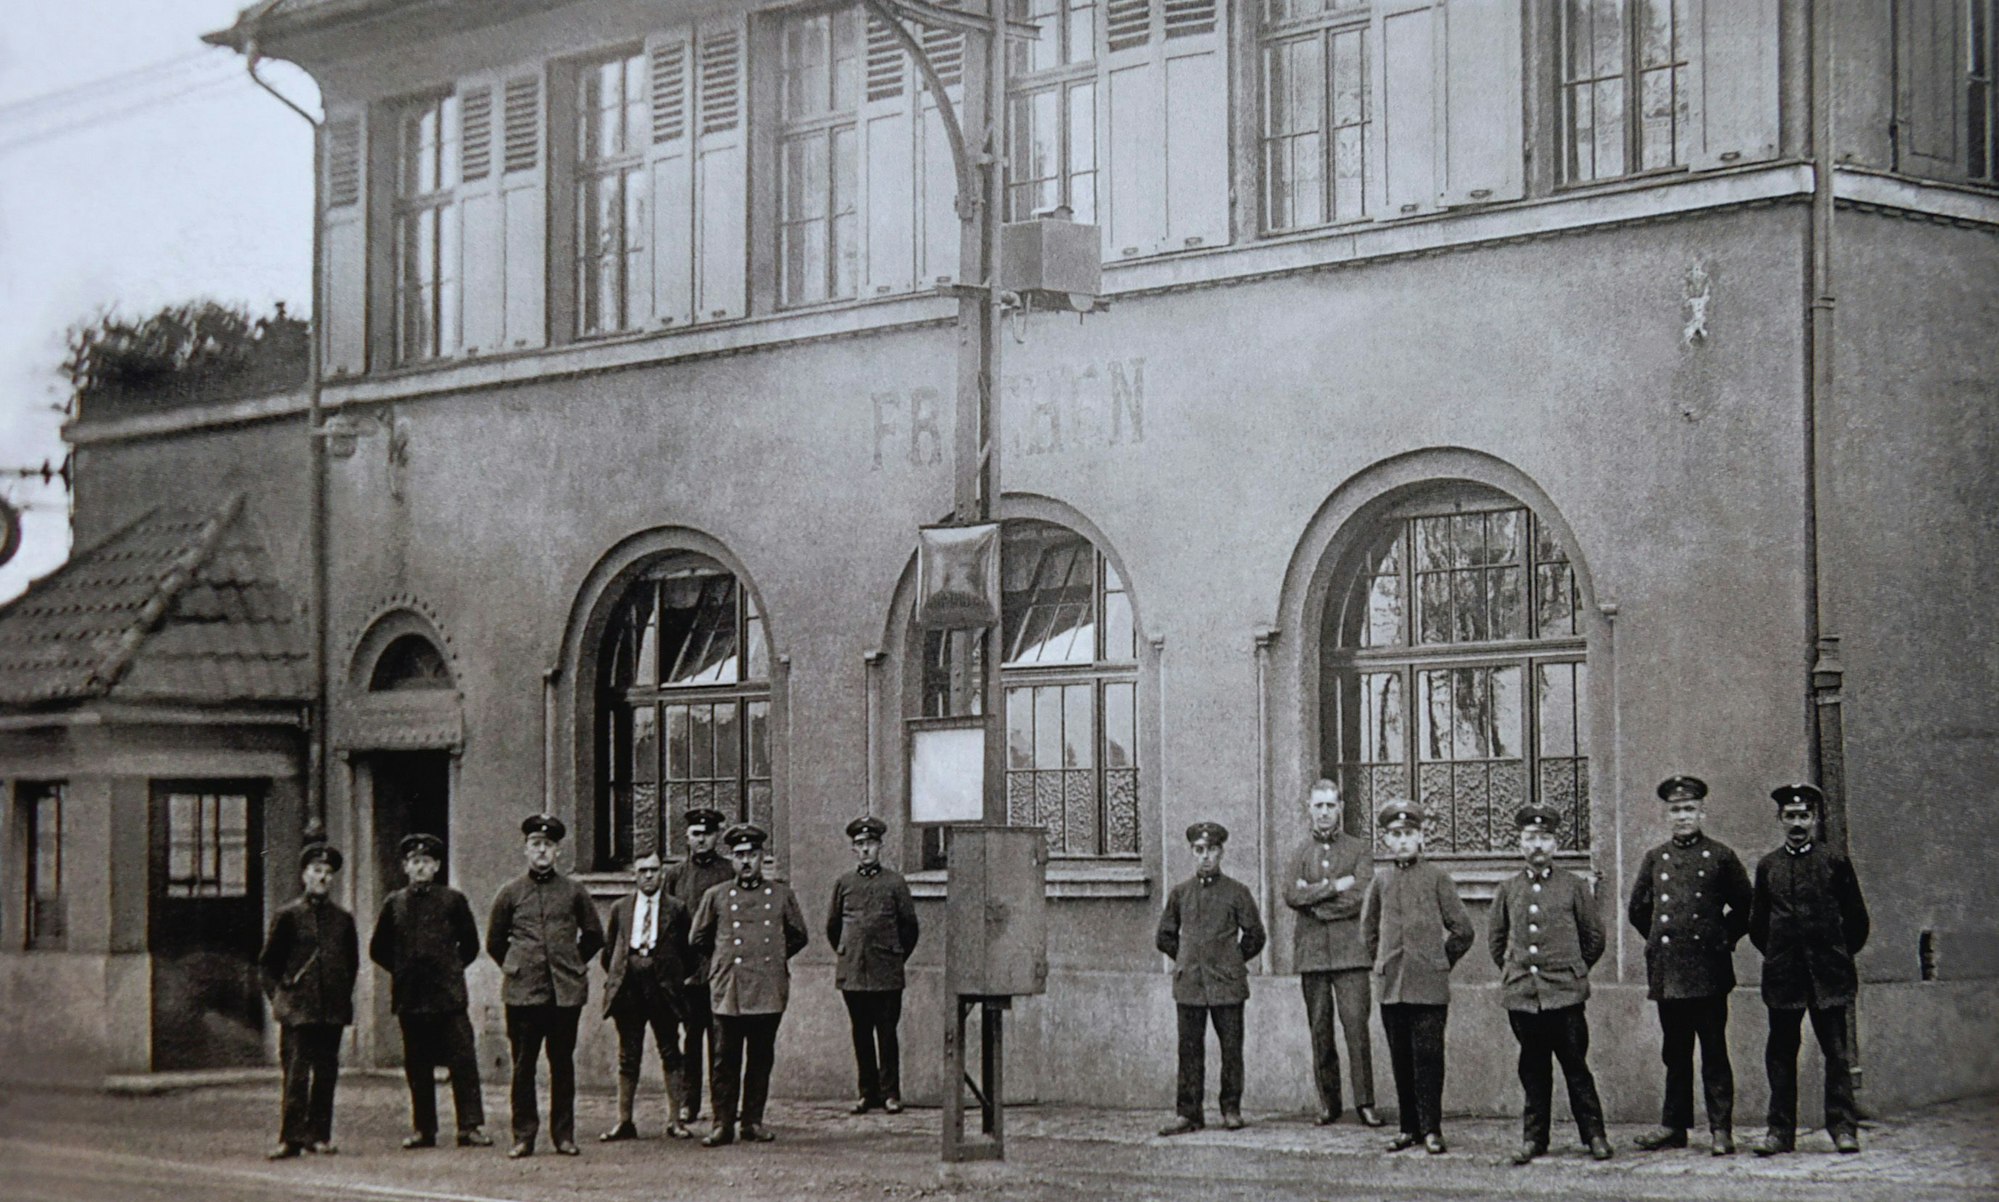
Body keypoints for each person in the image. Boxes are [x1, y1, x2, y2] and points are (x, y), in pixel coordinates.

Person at [1627, 775, 1754, 1156]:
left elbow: (1747, 907)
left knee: (1714, 1051)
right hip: (1670, 972)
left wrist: (1721, 937)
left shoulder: (1721, 856)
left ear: (1702, 812)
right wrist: (1662, 943)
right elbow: (1638, 910)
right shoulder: (1655, 858)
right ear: (1667, 814)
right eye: (1676, 810)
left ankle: (1720, 1129)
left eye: (1689, 809)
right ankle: (1674, 1126)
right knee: (1675, 1053)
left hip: (1709, 972)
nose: (1682, 816)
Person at [1749, 783, 1870, 1157]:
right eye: (1790, 816)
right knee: (1781, 1054)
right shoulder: (1769, 866)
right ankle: (1779, 1131)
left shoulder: (1834, 861)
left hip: (1828, 975)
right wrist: (1779, 955)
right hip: (1785, 977)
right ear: (1779, 820)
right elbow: (1758, 927)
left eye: (1804, 816)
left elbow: (1857, 922)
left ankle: (1843, 1129)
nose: (1797, 823)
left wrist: (1834, 954)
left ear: (1815, 819)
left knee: (1836, 1054)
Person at [1488, 805, 1612, 1165]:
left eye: (1544, 838)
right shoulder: (1508, 889)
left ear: (1555, 843)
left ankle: (1595, 1136)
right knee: (1533, 1069)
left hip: (1565, 998)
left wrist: (1572, 972)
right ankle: (1533, 1139)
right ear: (1520, 843)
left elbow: (1595, 938)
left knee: (1576, 1068)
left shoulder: (1573, 886)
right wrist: (1519, 975)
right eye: (1530, 838)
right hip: (1524, 998)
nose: (1537, 845)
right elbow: (1497, 943)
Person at [487, 813, 605, 1159]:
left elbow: (594, 935)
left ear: (558, 852)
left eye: (549, 845)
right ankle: (523, 1136)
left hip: (564, 995)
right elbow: (494, 941)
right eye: (536, 844)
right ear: (526, 849)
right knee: (523, 1067)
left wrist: (573, 963)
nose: (542, 851)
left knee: (562, 1065)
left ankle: (563, 1135)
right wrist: (514, 966)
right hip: (523, 995)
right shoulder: (510, 893)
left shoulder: (574, 891)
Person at [1361, 800, 1474, 1155]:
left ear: (1422, 837)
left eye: (1410, 833)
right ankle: (1408, 1128)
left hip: (1429, 988)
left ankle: (1432, 1129)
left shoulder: (1437, 878)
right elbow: (1367, 933)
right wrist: (1382, 964)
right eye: (1396, 835)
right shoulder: (1380, 882)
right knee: (1401, 1060)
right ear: (1387, 841)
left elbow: (1463, 931)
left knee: (1429, 1060)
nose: (1404, 840)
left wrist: (1439, 962)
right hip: (1392, 987)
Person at [368, 832, 492, 1150]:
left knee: (462, 1061)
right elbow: (378, 948)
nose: (420, 867)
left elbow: (471, 945)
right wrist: (406, 970)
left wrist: (448, 969)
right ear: (405, 867)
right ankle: (424, 1129)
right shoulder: (394, 904)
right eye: (414, 862)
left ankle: (470, 1127)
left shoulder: (453, 901)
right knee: (417, 1066)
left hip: (448, 996)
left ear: (436, 866)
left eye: (426, 861)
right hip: (411, 997)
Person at [689, 822, 809, 1146]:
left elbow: (799, 935)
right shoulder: (717, 896)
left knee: (759, 1058)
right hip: (730, 988)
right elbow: (698, 937)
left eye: (752, 854)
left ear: (762, 858)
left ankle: (753, 1121)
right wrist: (722, 962)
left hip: (767, 989)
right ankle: (722, 1124)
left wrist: (771, 957)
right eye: (739, 855)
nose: (746, 861)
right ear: (731, 859)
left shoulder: (781, 895)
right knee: (723, 1059)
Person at [1155, 821, 1267, 1137]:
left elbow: (1256, 935)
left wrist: (1231, 960)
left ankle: (1231, 1108)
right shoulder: (1180, 894)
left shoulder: (1237, 892)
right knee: (1189, 1050)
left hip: (1227, 985)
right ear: (1192, 853)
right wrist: (1187, 959)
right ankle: (1188, 1113)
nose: (1206, 857)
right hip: (1190, 984)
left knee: (1232, 1048)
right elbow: (1164, 936)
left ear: (1221, 852)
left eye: (1212, 850)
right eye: (1199, 850)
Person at [1280, 779, 1382, 1127]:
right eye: (1318, 805)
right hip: (1312, 957)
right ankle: (1329, 1103)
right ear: (1308, 808)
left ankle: (1365, 1103)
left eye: (1330, 805)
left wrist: (1315, 899)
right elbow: (1291, 896)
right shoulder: (1298, 853)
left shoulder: (1359, 850)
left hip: (1351, 955)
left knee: (1356, 1029)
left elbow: (1363, 896)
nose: (1324, 812)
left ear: (1341, 808)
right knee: (1319, 1030)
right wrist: (1335, 886)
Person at [259, 842, 359, 1160]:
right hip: (298, 1011)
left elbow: (350, 963)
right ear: (304, 875)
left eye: (328, 873)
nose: (323, 878)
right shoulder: (287, 916)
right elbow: (268, 964)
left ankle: (319, 1135)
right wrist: (280, 999)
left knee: (326, 1074)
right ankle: (291, 1138)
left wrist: (340, 994)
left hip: (331, 1009)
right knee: (297, 1075)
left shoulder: (342, 919)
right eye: (317, 871)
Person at [599, 848, 696, 1142]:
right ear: (634, 875)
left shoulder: (676, 909)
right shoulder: (621, 908)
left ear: (662, 873)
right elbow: (609, 953)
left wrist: (672, 976)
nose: (649, 876)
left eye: (654, 870)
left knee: (670, 1050)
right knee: (628, 1055)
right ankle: (624, 1121)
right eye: (643, 871)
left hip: (662, 986)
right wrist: (623, 974)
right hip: (629, 985)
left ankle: (675, 1120)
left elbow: (689, 953)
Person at [826, 814, 920, 1115]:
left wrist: (893, 956)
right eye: (859, 844)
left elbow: (909, 927)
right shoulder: (844, 883)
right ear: (854, 849)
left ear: (880, 846)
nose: (865, 849)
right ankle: (867, 1093)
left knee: (887, 1033)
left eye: (870, 843)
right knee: (861, 1033)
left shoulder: (895, 882)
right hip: (853, 972)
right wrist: (849, 953)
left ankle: (891, 1093)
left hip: (886, 972)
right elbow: (833, 926)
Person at [664, 807, 735, 1126]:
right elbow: (668, 922)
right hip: (688, 975)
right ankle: (688, 1104)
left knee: (724, 1043)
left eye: (707, 833)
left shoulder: (729, 872)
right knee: (690, 1042)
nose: (702, 839)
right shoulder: (676, 875)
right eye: (696, 834)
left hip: (721, 971)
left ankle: (724, 1107)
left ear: (717, 836)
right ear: (687, 837)